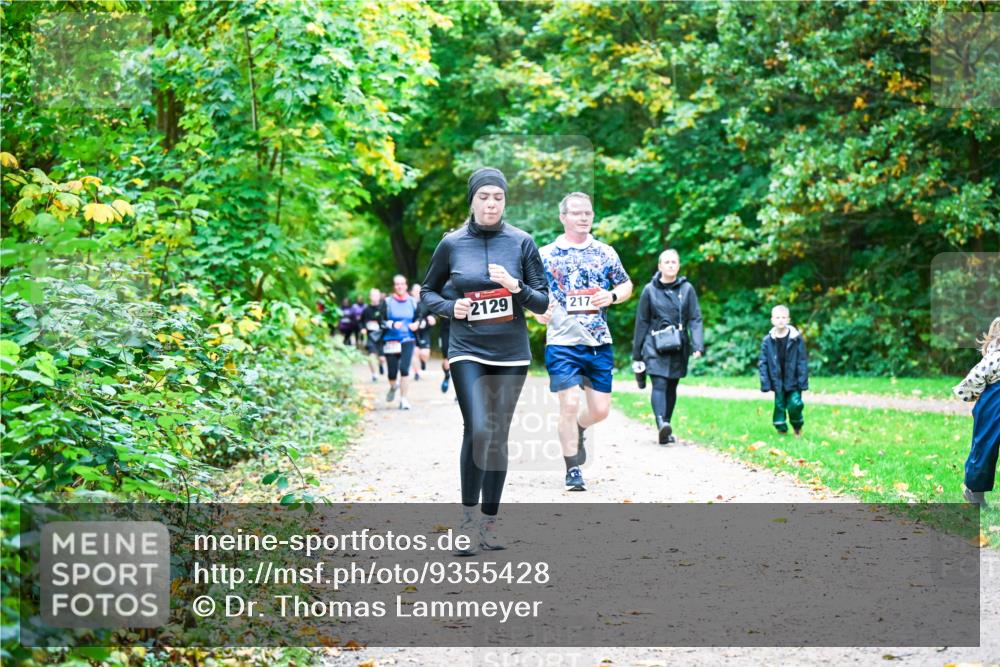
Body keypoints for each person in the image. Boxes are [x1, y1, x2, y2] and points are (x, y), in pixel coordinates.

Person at [421, 167, 549, 555]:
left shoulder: (522, 242)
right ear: (472, 200)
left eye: (498, 197)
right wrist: (451, 307)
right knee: (477, 428)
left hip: (511, 353)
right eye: (484, 197)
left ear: (505, 201)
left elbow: (542, 301)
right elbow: (427, 292)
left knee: (496, 435)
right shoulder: (452, 243)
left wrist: (515, 287)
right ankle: (467, 521)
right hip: (467, 348)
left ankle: (489, 524)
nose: (491, 204)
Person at [535, 192, 632, 491]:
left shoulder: (605, 252)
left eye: (587, 212)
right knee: (569, 403)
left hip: (598, 341)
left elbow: (626, 284)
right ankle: (573, 469)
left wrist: (612, 296)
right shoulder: (546, 254)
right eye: (576, 213)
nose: (583, 217)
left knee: (600, 410)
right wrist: (537, 311)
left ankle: (579, 427)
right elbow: (532, 292)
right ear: (563, 217)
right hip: (562, 343)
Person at [631, 249, 704, 445]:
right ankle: (660, 423)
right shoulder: (649, 290)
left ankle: (666, 427)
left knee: (672, 385)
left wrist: (698, 344)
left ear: (678, 266)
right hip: (654, 344)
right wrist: (637, 352)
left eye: (674, 262)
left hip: (679, 344)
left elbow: (695, 318)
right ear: (660, 266)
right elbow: (642, 321)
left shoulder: (687, 289)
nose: (671, 265)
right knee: (660, 384)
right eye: (667, 262)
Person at [955, 316, 1000, 507]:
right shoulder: (994, 358)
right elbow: (974, 378)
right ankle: (974, 491)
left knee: (985, 448)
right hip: (994, 405)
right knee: (985, 447)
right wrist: (970, 394)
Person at [758, 305, 809, 436]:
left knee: (795, 404)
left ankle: (797, 426)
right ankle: (781, 429)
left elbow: (802, 360)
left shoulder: (796, 338)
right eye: (777, 317)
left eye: (783, 317)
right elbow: (763, 362)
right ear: (772, 320)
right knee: (779, 405)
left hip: (794, 380)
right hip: (778, 380)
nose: (780, 320)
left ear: (788, 319)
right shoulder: (767, 341)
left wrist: (802, 381)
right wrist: (765, 382)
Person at [380, 275, 419, 410]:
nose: (400, 286)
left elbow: (419, 317)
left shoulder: (413, 302)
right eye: (397, 284)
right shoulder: (387, 302)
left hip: (408, 339)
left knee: (404, 369)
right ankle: (393, 386)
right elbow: (381, 321)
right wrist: (392, 324)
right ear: (394, 286)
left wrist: (417, 324)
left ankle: (403, 399)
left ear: (406, 286)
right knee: (392, 373)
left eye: (402, 284)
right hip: (391, 340)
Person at [409, 284, 437, 380]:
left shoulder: (426, 303)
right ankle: (417, 373)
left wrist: (433, 317)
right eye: (415, 290)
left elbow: (434, 313)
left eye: (419, 290)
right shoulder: (409, 303)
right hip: (412, 332)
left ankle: (423, 361)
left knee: (424, 354)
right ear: (411, 292)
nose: (417, 292)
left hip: (424, 331)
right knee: (414, 352)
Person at [361, 288, 384, 382]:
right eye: (373, 295)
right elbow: (361, 322)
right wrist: (362, 328)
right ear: (370, 297)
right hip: (371, 336)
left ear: (379, 296)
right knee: (371, 356)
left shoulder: (383, 308)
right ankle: (374, 375)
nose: (374, 297)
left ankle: (381, 364)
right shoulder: (366, 310)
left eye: (376, 295)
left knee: (382, 358)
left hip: (382, 336)